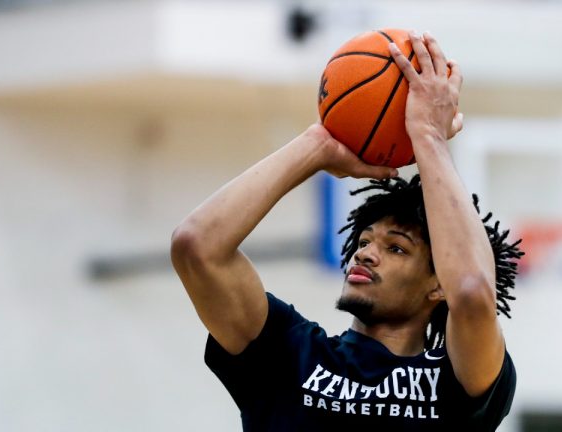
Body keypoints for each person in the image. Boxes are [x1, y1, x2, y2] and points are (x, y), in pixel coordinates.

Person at [171, 31, 523, 431]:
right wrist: (316, 145)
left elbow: (474, 292)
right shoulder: (289, 354)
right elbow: (196, 246)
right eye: (365, 240)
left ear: (437, 285)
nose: (366, 253)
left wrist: (429, 136)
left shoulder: (455, 383)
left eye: (397, 249)